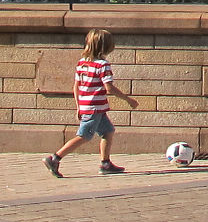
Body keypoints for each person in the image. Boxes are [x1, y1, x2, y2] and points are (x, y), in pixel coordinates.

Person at [44, 29, 139, 176]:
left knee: (108, 131)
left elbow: (76, 86)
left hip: (91, 107)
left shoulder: (82, 63)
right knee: (84, 136)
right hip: (95, 108)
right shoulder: (102, 65)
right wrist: (128, 99)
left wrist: (79, 106)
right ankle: (55, 158)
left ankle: (105, 164)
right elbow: (109, 87)